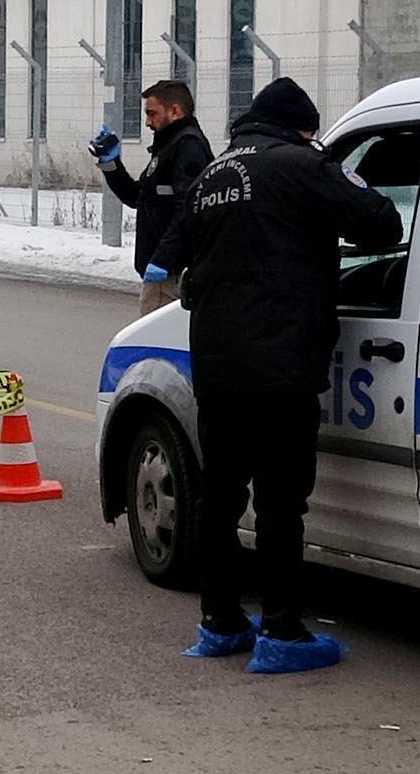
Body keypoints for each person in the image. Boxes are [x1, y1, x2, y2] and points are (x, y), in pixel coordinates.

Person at [149, 76, 403, 675]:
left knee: (220, 497)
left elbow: (173, 249)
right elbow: (381, 222)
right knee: (281, 503)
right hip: (281, 367)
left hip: (216, 365)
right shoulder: (299, 163)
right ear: (302, 127)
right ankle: (283, 632)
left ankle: (219, 623)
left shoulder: (214, 173)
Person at [89, 80, 214, 314]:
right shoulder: (168, 147)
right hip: (164, 273)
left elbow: (189, 209)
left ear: (174, 111)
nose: (147, 122)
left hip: (170, 278)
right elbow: (138, 197)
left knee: (154, 348)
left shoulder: (187, 146)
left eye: (152, 113)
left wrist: (164, 259)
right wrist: (110, 163)